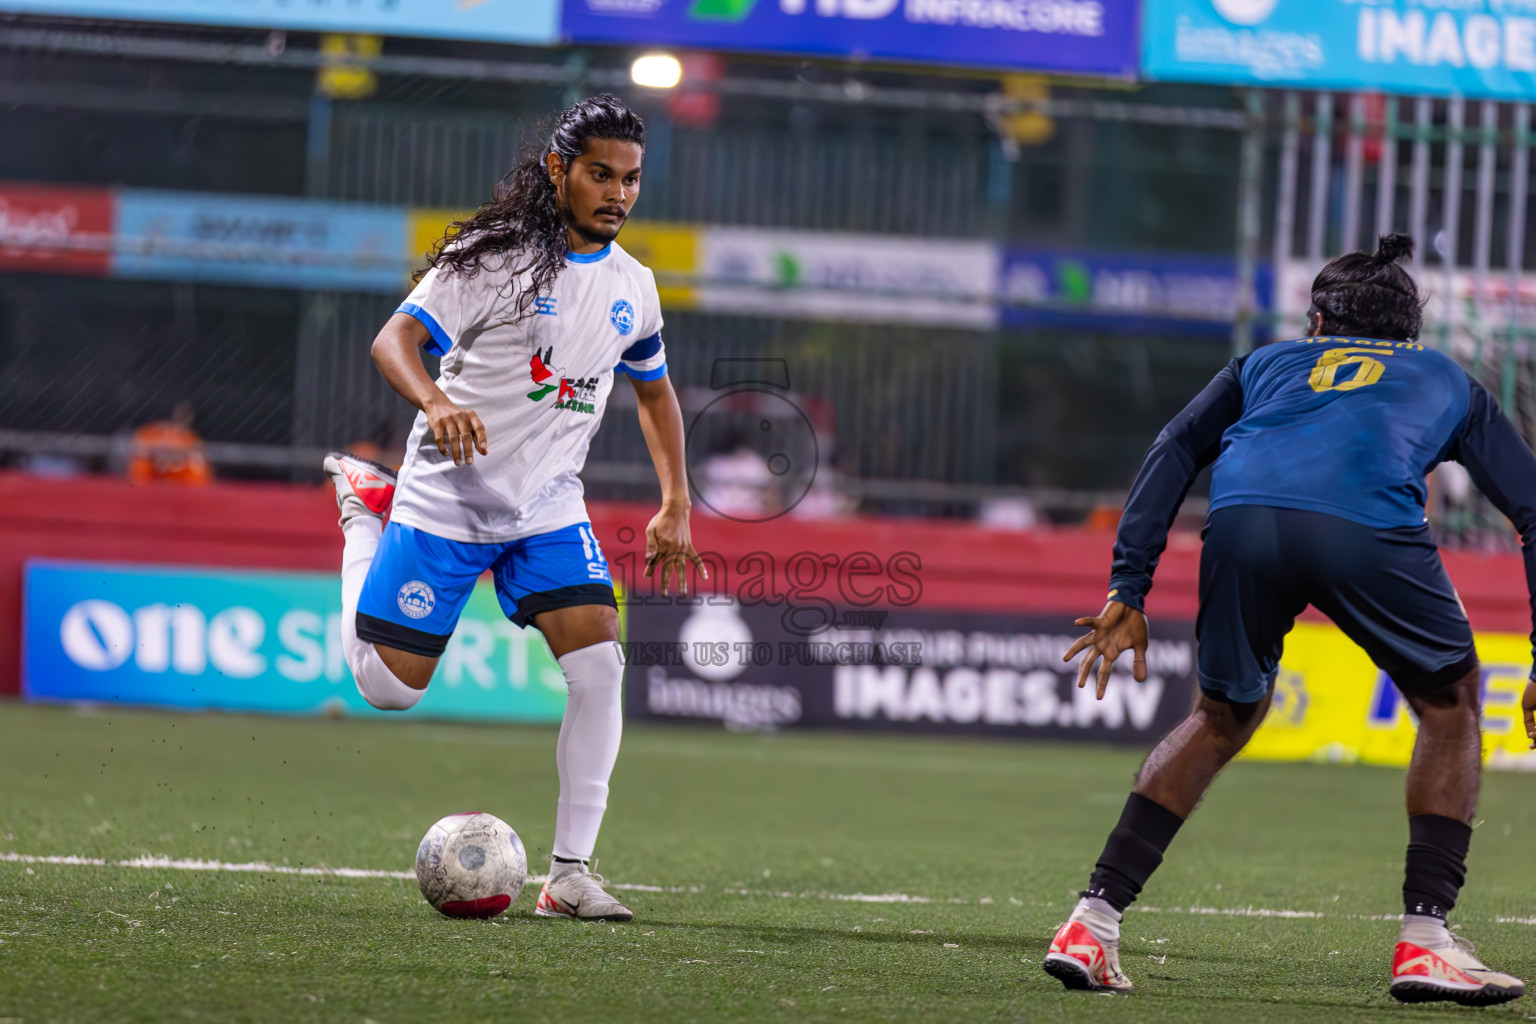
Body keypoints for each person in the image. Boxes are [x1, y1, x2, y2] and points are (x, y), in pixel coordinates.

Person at [1042, 235, 1536, 1006]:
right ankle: (1426, 942)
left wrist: (1128, 587)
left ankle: (1091, 922)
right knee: (1450, 705)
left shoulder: (1263, 364)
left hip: (1242, 523)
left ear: (1316, 320)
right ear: (1410, 332)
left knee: (1221, 715)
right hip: (1363, 527)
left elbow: (1174, 446)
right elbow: (1531, 509)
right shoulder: (1445, 377)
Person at [323, 95, 702, 923]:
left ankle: (570, 876)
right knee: (388, 690)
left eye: (632, 178)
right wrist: (432, 402)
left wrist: (675, 500)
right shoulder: (491, 257)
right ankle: (363, 514)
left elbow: (656, 393)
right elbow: (395, 341)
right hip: (448, 493)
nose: (619, 193)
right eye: (601, 173)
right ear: (559, 170)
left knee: (601, 668)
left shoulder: (634, 288)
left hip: (546, 507)